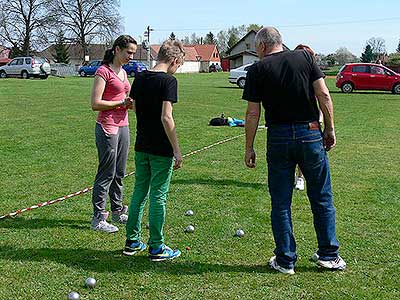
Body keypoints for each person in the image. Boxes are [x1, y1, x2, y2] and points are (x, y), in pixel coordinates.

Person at [243, 27, 346, 274]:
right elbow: (323, 94)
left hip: (278, 137)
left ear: (262, 46)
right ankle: (329, 255)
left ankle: (286, 259)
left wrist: (249, 147)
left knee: (281, 202)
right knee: (321, 196)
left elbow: (253, 112)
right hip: (310, 134)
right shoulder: (305, 58)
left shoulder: (257, 70)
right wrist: (329, 128)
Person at [123, 39, 185, 261]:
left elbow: (135, 107)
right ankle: (157, 247)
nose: (178, 69)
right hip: (160, 148)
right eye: (179, 64)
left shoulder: (139, 77)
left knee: (139, 192)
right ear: (174, 60)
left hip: (142, 145)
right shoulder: (169, 81)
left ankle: (132, 241)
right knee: (159, 195)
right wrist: (177, 150)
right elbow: (166, 117)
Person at [90, 35, 137, 233]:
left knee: (119, 172)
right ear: (117, 49)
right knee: (106, 172)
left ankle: (117, 211)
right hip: (107, 126)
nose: (131, 56)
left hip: (123, 124)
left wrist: (131, 103)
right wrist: (120, 103)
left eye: (133, 53)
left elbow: (124, 97)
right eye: (128, 52)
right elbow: (95, 103)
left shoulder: (124, 73)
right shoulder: (103, 72)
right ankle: (98, 218)